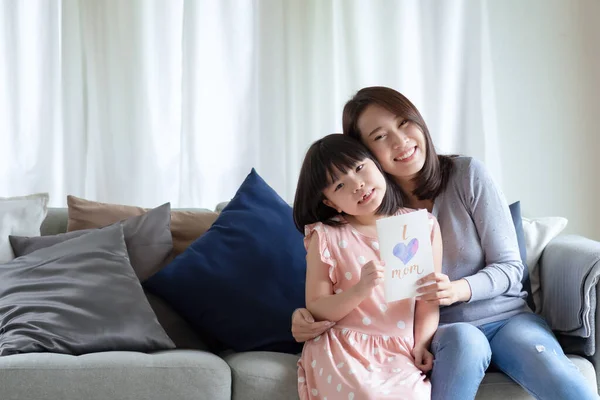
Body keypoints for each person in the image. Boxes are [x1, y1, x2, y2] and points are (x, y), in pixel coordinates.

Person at [291, 87, 599, 399]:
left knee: (560, 378)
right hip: (443, 332)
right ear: (366, 152)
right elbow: (338, 286)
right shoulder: (368, 208)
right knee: (466, 342)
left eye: (403, 122)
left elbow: (510, 267)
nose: (400, 141)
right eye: (380, 136)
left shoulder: (467, 174)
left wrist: (457, 289)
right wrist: (306, 315)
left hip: (507, 319)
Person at [293, 133, 442, 400]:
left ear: (376, 163)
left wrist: (422, 343)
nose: (357, 185)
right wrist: (360, 290)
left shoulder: (422, 225)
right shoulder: (326, 235)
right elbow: (316, 306)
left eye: (360, 168)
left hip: (399, 348)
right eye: (339, 186)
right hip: (343, 347)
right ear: (329, 202)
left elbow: (427, 299)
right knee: (368, 395)